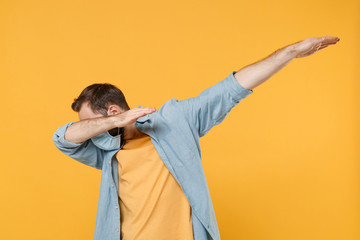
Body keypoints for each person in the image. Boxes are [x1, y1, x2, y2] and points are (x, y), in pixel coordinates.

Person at [52, 36, 340, 240]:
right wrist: (113, 122)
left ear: (112, 108)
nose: (92, 131)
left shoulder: (174, 120)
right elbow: (63, 138)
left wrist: (290, 52)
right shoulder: (103, 148)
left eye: (95, 123)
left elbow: (231, 88)